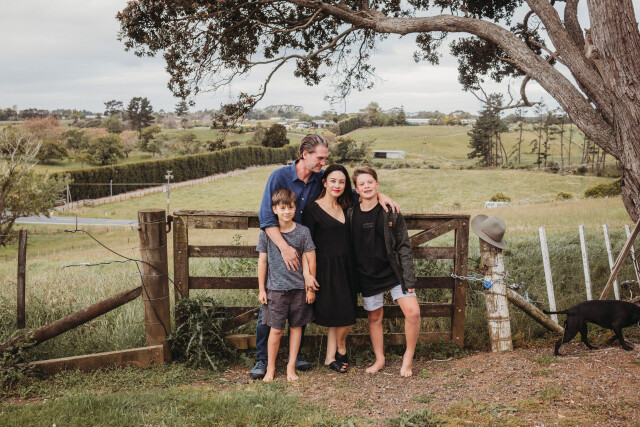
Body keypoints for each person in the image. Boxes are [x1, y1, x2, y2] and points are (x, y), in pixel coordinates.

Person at [251, 134, 400, 380]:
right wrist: (284, 247)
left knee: (300, 303)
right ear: (305, 154)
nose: (323, 162)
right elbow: (267, 217)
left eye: (325, 159)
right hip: (280, 248)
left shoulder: (319, 179)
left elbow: (349, 193)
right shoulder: (279, 177)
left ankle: (295, 356)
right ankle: (263, 359)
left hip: (305, 248)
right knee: (271, 306)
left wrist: (379, 195)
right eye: (320, 158)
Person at [347, 166, 421, 377]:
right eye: (361, 184)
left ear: (377, 184)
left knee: (413, 312)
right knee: (374, 317)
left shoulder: (390, 211)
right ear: (356, 189)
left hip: (394, 272)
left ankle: (408, 358)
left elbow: (404, 246)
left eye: (370, 182)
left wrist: (408, 277)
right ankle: (380, 359)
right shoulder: (351, 213)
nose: (366, 186)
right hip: (367, 274)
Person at [257, 188, 316, 381]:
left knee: (296, 327)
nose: (287, 212)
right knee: (275, 330)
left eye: (290, 207)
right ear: (274, 209)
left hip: (299, 289)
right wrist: (261, 289)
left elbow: (311, 259)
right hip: (275, 290)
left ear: (295, 208)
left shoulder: (303, 232)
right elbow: (262, 262)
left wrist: (310, 289)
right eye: (282, 208)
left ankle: (291, 367)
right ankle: (271, 368)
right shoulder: (267, 234)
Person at [302, 164, 357, 373]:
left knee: (343, 313)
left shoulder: (346, 206)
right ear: (324, 182)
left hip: (347, 267)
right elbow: (306, 247)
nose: (337, 185)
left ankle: (329, 357)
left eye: (342, 182)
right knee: (342, 313)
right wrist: (307, 275)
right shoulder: (312, 210)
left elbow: (369, 193)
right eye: (333, 181)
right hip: (326, 268)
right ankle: (340, 348)